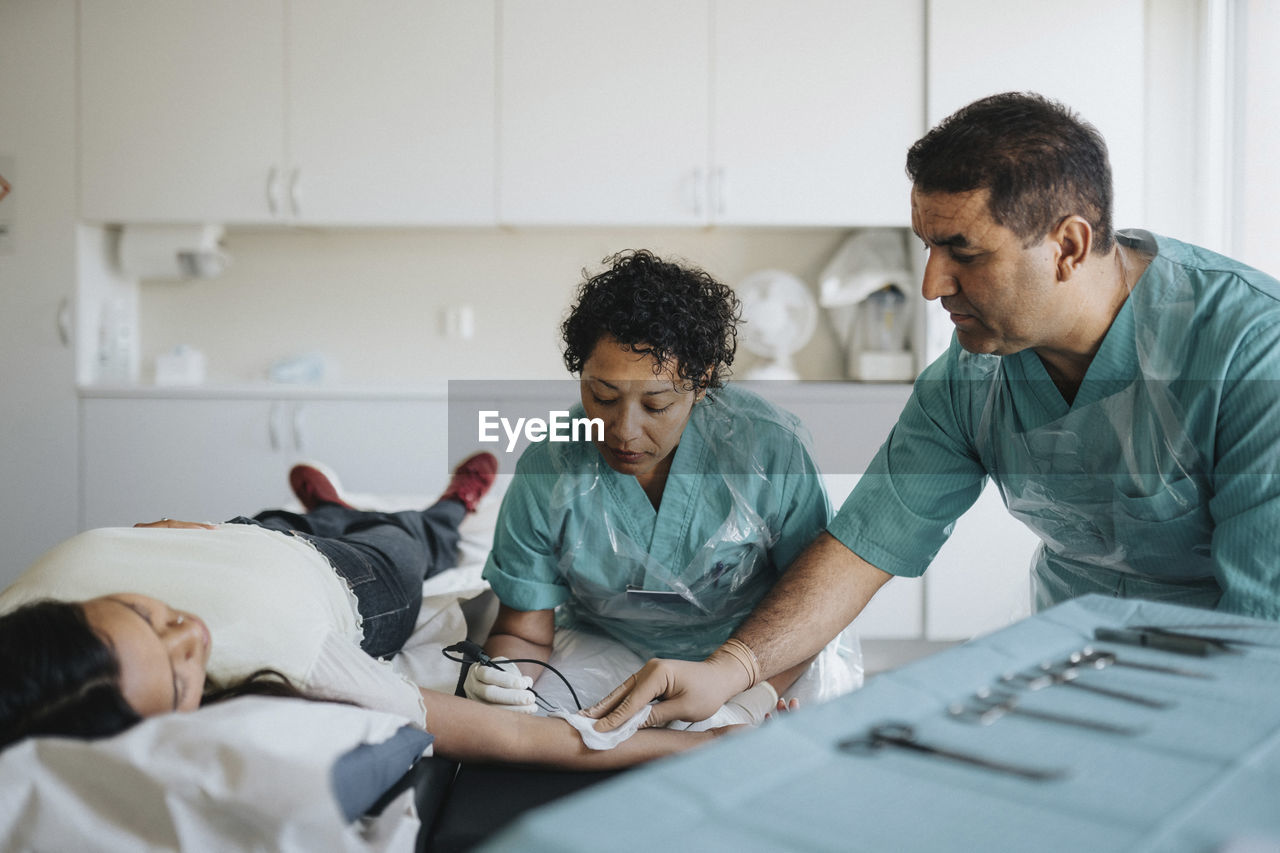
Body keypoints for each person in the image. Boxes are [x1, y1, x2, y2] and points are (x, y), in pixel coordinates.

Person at [584, 91, 1280, 732]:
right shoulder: (973, 378)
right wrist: (729, 668)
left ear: (1067, 245)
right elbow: (863, 546)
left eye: (963, 252)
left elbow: (1263, 633)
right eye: (927, 245)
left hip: (1222, 694)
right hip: (1071, 667)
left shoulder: (1250, 355)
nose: (929, 284)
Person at [0, 454, 722, 767]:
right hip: (351, 579)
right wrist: (711, 742)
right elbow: (525, 740)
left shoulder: (25, 619)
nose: (192, 630)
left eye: (144, 610)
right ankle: (452, 503)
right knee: (404, 533)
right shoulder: (288, 669)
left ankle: (329, 506)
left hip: (243, 531)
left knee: (291, 515)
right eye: (184, 669)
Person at [471, 249, 841, 728]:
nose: (623, 430)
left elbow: (814, 605)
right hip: (609, 649)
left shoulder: (771, 453)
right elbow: (524, 632)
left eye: (657, 402)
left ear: (701, 381)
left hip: (764, 655)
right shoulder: (551, 468)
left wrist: (751, 696)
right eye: (602, 396)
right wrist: (505, 678)